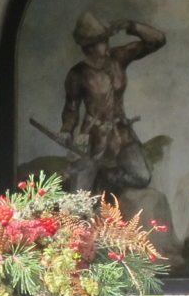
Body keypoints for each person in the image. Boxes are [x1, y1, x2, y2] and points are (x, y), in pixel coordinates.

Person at [58, 11, 165, 194]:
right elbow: (71, 107)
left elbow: (157, 40)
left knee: (142, 176)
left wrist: (130, 25)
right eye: (102, 42)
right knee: (78, 197)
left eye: (107, 40)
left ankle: (106, 177)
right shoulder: (77, 74)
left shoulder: (119, 58)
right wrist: (66, 130)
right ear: (88, 47)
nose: (107, 46)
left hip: (122, 135)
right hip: (94, 138)